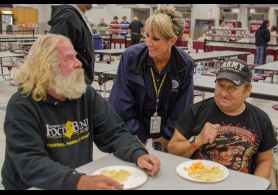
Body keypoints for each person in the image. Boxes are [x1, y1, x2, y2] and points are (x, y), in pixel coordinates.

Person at [1, 34, 161, 190]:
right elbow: (28, 162)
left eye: (76, 57)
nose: (78, 63)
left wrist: (138, 153)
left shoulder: (84, 94)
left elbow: (114, 133)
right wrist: (79, 182)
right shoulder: (22, 105)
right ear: (46, 67)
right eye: (69, 58)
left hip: (74, 180)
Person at [167, 58, 278, 180]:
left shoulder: (261, 119)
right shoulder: (195, 112)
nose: (224, 93)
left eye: (232, 88)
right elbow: (172, 151)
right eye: (220, 85)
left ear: (248, 90)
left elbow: (265, 161)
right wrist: (197, 141)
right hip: (199, 181)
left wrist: (256, 186)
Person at [108, 5, 194, 152]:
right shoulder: (131, 57)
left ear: (172, 41)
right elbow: (121, 99)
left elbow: (183, 106)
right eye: (146, 35)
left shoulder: (185, 64)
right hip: (136, 123)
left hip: (166, 125)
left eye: (155, 39)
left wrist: (168, 135)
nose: (148, 43)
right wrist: (132, 134)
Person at [48, 4, 95, 85]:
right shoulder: (67, 18)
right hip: (70, 86)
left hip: (79, 82)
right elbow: (55, 55)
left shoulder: (77, 17)